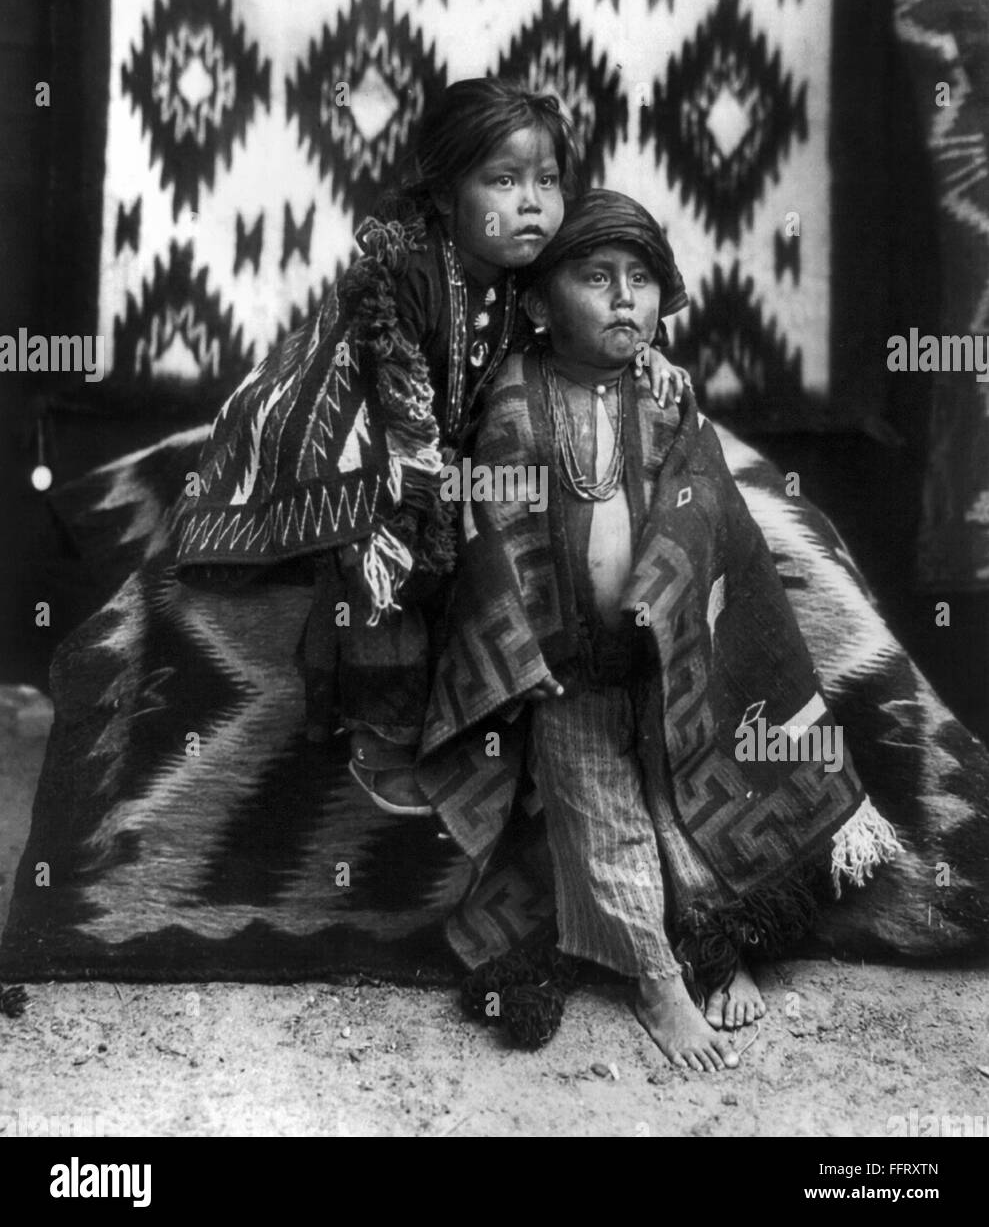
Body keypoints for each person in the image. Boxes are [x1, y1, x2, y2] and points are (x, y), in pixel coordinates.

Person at [414, 190, 902, 1072]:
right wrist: (519, 654)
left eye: (640, 280)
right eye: (595, 278)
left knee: (686, 810)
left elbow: (708, 517)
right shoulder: (515, 402)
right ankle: (654, 981)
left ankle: (718, 948)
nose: (623, 298)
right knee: (603, 821)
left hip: (667, 659)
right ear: (535, 301)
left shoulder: (667, 400)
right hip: (564, 670)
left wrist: (668, 600)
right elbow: (491, 540)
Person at [172, 82, 687, 816]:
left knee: (523, 516)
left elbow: (601, 305)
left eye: (547, 181)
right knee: (387, 555)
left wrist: (650, 354)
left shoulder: (528, 269)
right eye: (503, 182)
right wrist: (418, 484)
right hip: (367, 428)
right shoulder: (406, 270)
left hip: (450, 436)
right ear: (446, 195)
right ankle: (379, 730)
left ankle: (502, 705)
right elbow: (375, 385)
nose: (532, 203)